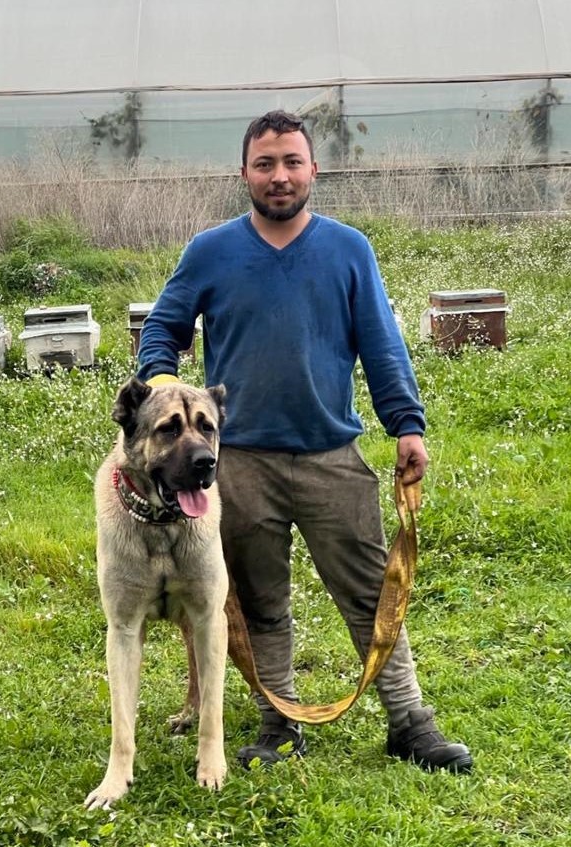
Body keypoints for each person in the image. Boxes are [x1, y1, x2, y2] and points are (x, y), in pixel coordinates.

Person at [137, 110, 472, 774]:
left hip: (330, 455)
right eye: (265, 164)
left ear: (313, 169)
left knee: (370, 593)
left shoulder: (348, 249)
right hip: (237, 465)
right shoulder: (210, 250)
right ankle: (277, 725)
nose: (280, 175)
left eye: (292, 161)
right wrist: (164, 386)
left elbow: (380, 345)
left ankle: (409, 722)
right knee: (259, 599)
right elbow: (162, 328)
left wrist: (405, 423)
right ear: (244, 174)